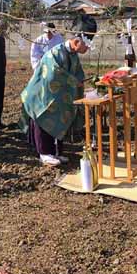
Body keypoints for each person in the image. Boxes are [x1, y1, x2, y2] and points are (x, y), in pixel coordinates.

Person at [21, 15, 97, 166]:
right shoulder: (55, 53)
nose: (87, 49)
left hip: (59, 95)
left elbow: (77, 73)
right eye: (86, 46)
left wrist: (81, 82)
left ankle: (56, 152)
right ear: (76, 42)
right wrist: (74, 82)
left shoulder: (73, 54)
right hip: (43, 94)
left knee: (60, 119)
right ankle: (44, 153)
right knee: (44, 118)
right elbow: (53, 75)